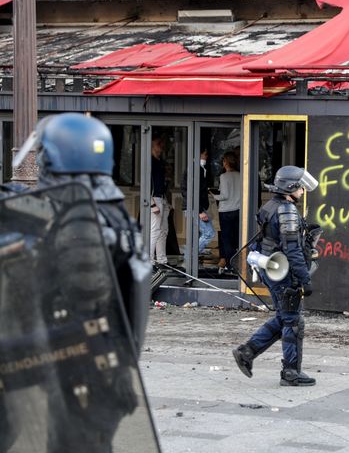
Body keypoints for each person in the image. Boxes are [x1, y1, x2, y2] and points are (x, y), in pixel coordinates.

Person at [2, 113, 154, 452]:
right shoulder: (103, 210)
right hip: (101, 370)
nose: (39, 162)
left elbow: (81, 306)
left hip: (82, 373)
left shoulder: (82, 220)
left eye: (43, 155)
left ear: (59, 158)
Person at [232, 165, 319, 386]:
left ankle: (247, 352)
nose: (302, 190)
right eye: (299, 187)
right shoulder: (287, 211)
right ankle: (290, 372)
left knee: (284, 317)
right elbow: (293, 250)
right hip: (282, 271)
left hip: (270, 269)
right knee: (292, 321)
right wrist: (305, 279)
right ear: (290, 187)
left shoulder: (271, 206)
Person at [181, 147, 215, 262]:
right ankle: (189, 258)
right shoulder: (195, 169)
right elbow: (192, 191)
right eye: (205, 154)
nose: (206, 157)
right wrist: (200, 211)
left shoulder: (198, 168)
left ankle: (189, 259)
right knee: (209, 233)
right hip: (195, 208)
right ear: (199, 154)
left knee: (200, 234)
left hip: (196, 207)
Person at [214, 151, 242, 271]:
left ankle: (230, 264)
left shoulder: (224, 176)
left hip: (225, 211)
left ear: (226, 162)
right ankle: (237, 262)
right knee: (236, 238)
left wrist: (214, 194)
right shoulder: (240, 175)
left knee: (226, 238)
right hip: (237, 210)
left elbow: (224, 195)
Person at [150, 132, 170, 265]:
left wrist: (166, 201)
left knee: (163, 230)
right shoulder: (150, 162)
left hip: (162, 199)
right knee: (155, 230)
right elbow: (147, 183)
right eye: (158, 144)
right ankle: (149, 260)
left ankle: (162, 260)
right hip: (155, 199)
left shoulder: (160, 162)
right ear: (151, 146)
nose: (161, 147)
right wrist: (152, 204)